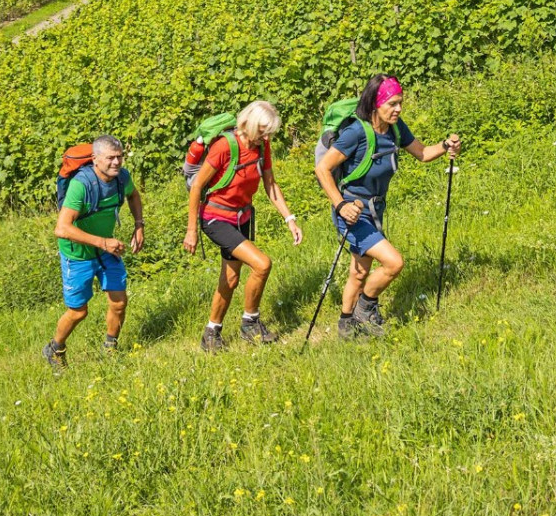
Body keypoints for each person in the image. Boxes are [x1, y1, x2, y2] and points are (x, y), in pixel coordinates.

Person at [313, 75, 460, 339]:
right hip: (353, 212)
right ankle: (365, 308)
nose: (398, 109)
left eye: (400, 103)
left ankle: (347, 324)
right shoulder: (356, 132)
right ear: (375, 104)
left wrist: (446, 146)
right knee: (394, 263)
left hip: (375, 209)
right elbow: (323, 168)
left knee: (359, 272)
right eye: (392, 103)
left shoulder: (395, 129)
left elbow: (424, 154)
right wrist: (340, 205)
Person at [183, 100, 304, 351]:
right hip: (216, 218)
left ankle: (211, 332)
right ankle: (250, 323)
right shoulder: (224, 147)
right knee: (262, 264)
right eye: (263, 130)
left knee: (231, 277)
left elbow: (270, 185)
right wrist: (191, 231)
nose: (266, 136)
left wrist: (289, 219)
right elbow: (196, 187)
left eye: (269, 131)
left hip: (242, 217)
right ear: (248, 123)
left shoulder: (262, 146)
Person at [46, 135, 144, 368]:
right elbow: (61, 228)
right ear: (95, 159)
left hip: (106, 250)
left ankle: (110, 348)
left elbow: (134, 195)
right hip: (78, 254)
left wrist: (139, 225)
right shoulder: (82, 185)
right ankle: (55, 348)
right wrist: (103, 242)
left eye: (120, 157)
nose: (116, 163)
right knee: (79, 312)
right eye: (110, 158)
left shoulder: (122, 178)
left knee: (119, 302)